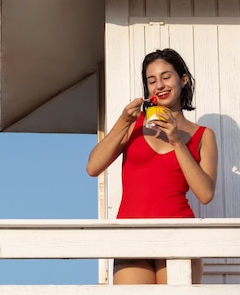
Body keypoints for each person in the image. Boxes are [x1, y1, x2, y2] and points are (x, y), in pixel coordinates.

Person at [86, 48, 218, 284]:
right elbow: (93, 167)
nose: (160, 85)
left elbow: (205, 194)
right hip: (131, 233)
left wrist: (177, 140)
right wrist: (124, 120)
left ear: (183, 80)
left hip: (180, 232)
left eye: (166, 77)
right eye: (152, 80)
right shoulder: (133, 126)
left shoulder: (203, 135)